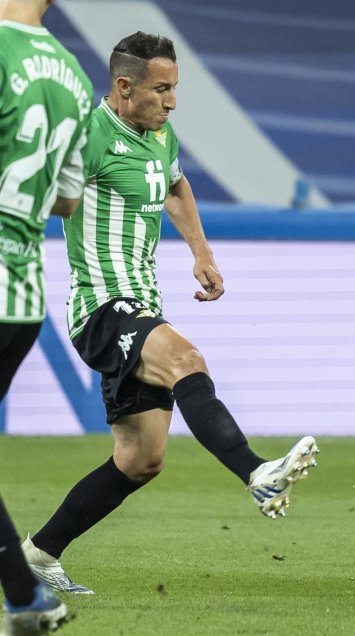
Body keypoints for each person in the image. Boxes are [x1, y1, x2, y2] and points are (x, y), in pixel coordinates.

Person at [21, 31, 319, 596]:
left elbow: (176, 184)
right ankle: (256, 473)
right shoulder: (85, 135)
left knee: (141, 459)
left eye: (175, 89)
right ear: (124, 86)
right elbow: (34, 183)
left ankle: (39, 552)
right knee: (186, 357)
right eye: (162, 89)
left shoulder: (159, 134)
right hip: (102, 306)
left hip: (144, 303)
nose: (172, 101)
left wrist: (201, 252)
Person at [0, 0, 93, 633]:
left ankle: (26, 598)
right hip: (22, 295)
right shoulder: (74, 76)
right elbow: (65, 199)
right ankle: (24, 599)